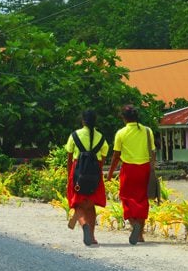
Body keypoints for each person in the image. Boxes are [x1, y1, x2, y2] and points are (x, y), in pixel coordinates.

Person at [107, 104, 156, 245]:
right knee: (142, 200)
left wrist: (110, 173)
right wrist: (151, 167)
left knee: (126, 198)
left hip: (128, 170)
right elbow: (152, 152)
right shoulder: (147, 131)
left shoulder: (121, 133)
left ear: (123, 118)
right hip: (144, 169)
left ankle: (135, 226)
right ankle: (140, 235)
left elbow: (116, 155)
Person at [65, 109, 109, 246]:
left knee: (78, 203)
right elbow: (103, 157)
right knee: (90, 205)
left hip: (78, 172)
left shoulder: (74, 135)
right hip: (94, 174)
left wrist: (69, 176)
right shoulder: (101, 137)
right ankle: (92, 236)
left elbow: (70, 157)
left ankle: (84, 224)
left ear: (83, 120)